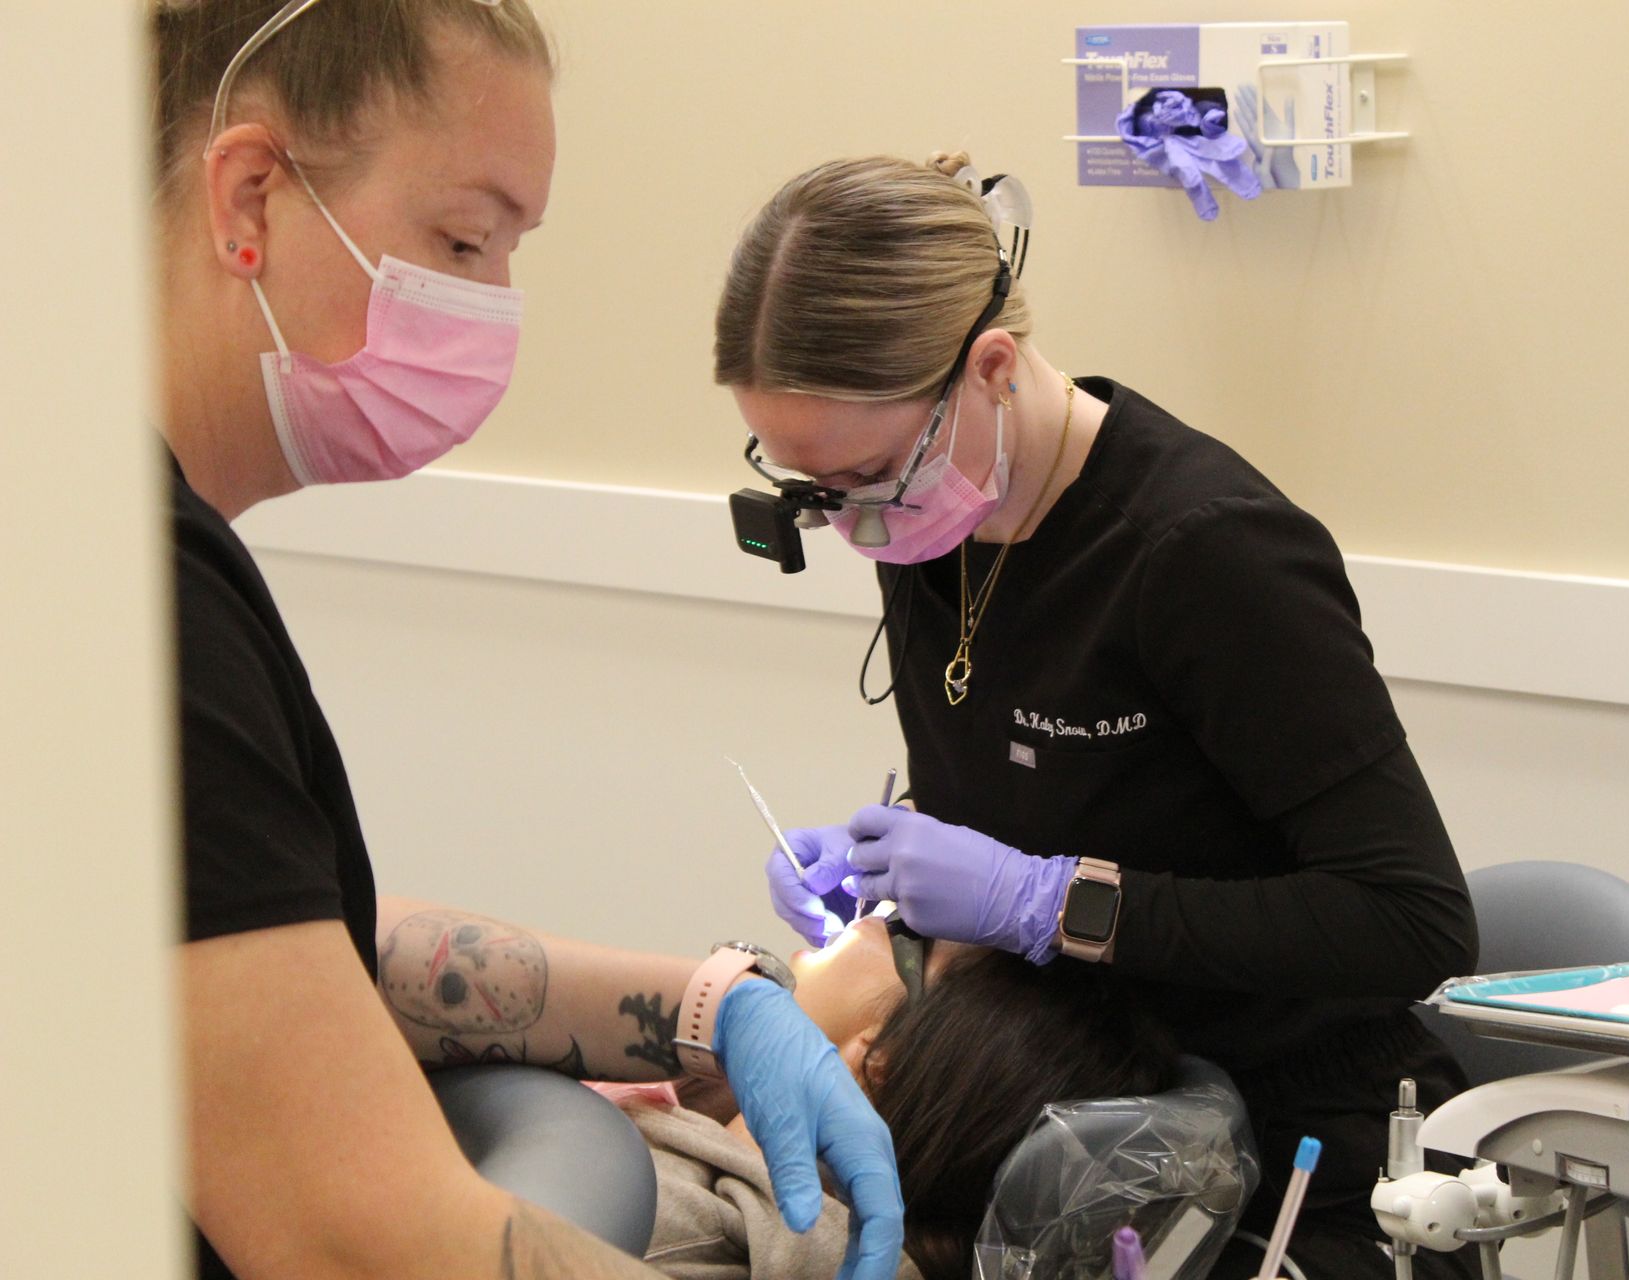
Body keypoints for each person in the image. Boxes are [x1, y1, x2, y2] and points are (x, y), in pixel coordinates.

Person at [154, 4, 901, 1278]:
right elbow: (365, 1243)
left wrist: (706, 1006)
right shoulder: (128, 592)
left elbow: (282, 945)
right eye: (462, 238)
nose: (494, 307)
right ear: (251, 195)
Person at [717, 152, 1482, 1278]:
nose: (855, 527)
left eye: (871, 475)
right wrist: (905, 866)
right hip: (1074, 1128)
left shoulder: (1205, 553)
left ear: (989, 367)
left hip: (1302, 1163)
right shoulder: (932, 522)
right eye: (817, 489)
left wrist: (1044, 898)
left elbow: (1412, 922)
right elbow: (1061, 782)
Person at [603, 914, 1180, 1280]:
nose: (869, 915)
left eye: (909, 932)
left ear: (882, 1061)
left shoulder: (645, 1219)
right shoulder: (676, 1119)